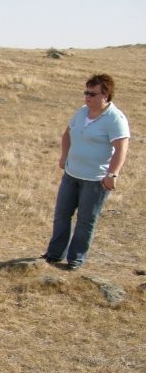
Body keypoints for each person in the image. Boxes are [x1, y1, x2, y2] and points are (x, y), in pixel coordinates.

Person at [42, 73, 130, 270]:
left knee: (85, 221)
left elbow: (121, 148)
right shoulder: (82, 112)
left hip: (95, 180)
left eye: (92, 94)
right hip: (72, 174)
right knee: (62, 215)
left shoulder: (115, 119)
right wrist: (64, 156)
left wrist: (112, 174)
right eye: (86, 92)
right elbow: (67, 133)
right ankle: (54, 254)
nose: (87, 97)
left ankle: (76, 259)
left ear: (105, 96)